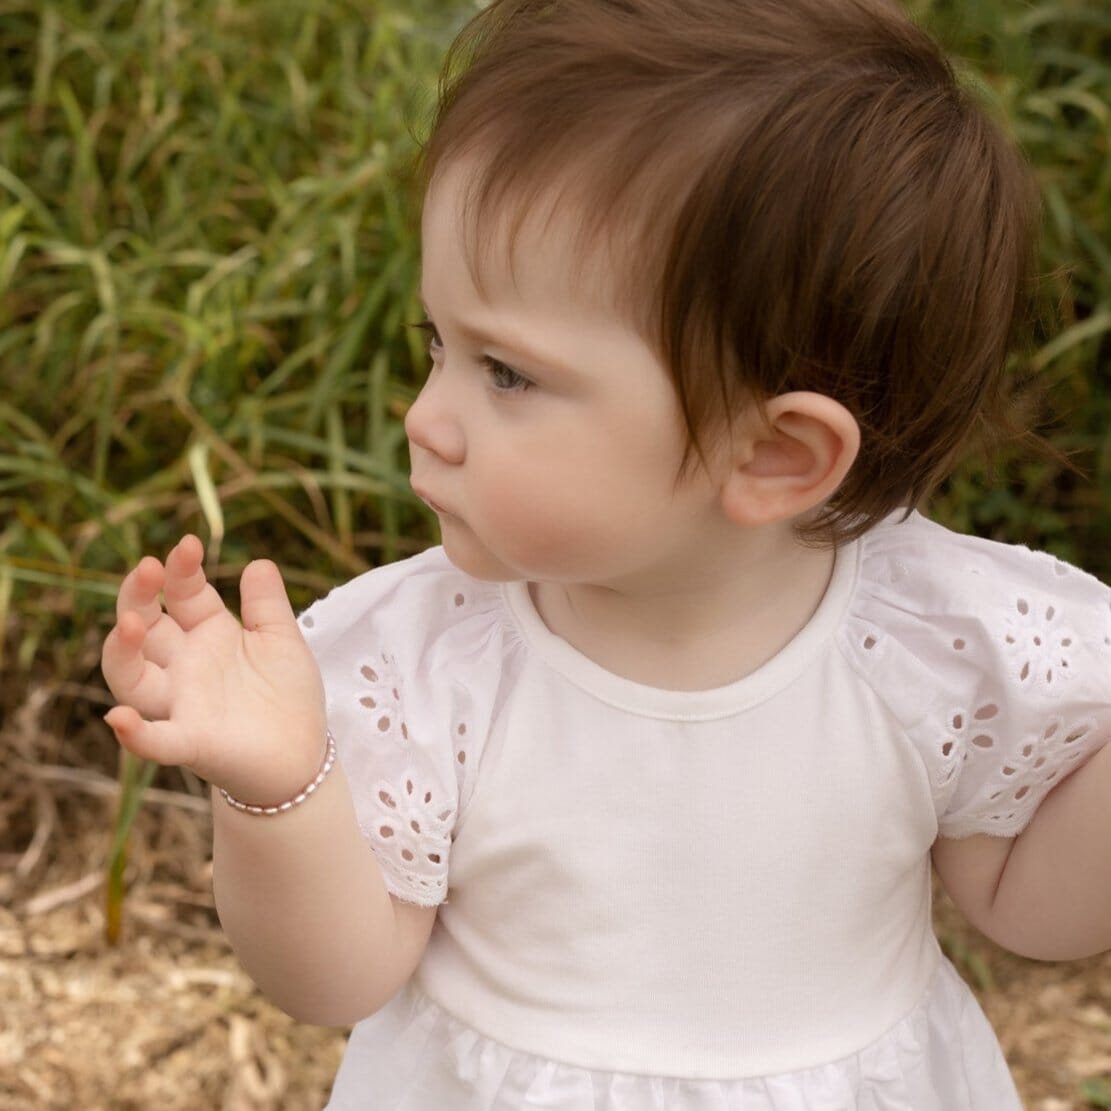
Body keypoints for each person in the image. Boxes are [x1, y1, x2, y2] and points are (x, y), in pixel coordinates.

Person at [101, 0, 1111, 1106]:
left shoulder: (928, 641)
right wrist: (277, 787)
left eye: (506, 373)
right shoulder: (434, 664)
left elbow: (1038, 912)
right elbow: (337, 978)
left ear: (775, 453)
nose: (424, 418)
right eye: (438, 345)